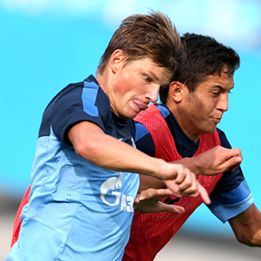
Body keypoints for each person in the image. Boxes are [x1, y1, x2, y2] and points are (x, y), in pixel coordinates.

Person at [6, 13, 210, 261]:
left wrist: (129, 201)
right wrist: (162, 169)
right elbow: (89, 144)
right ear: (117, 61)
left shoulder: (128, 129)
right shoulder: (81, 98)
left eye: (159, 85)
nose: (153, 95)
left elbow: (91, 187)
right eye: (148, 78)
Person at [123, 33, 261, 261]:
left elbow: (251, 229)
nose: (225, 106)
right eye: (215, 93)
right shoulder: (142, 131)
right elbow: (107, 187)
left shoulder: (216, 146)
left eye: (228, 93)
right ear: (177, 91)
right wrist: (194, 166)